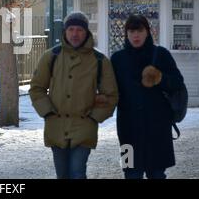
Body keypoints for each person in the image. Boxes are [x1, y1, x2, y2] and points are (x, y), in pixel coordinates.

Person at [29, 11, 118, 179]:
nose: (75, 34)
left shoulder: (100, 60)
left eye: (79, 30)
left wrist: (94, 117)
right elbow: (36, 88)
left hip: (84, 126)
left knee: (77, 172)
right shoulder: (51, 56)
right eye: (71, 29)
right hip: (56, 125)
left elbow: (111, 95)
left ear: (86, 32)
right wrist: (47, 112)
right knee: (62, 175)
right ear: (65, 31)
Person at [111, 14, 184, 179]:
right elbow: (110, 91)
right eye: (131, 31)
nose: (135, 35)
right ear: (126, 34)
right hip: (127, 131)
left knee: (157, 174)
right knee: (130, 173)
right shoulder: (117, 59)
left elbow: (178, 82)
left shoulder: (161, 54)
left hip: (157, 129)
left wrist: (159, 77)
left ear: (147, 32)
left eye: (139, 30)